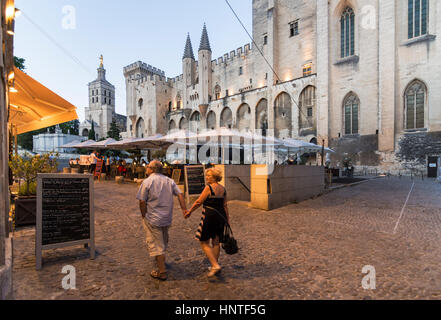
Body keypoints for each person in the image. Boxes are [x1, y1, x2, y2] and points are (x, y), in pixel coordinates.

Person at [137, 160, 187, 281]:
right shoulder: (169, 180)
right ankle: (160, 261)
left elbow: (142, 201)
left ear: (152, 169)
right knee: (163, 239)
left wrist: (143, 214)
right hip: (166, 217)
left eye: (148, 167)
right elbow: (180, 195)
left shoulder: (147, 181)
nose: (146, 168)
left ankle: (162, 271)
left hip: (153, 217)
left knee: (157, 244)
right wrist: (184, 209)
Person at [185, 168, 230, 277]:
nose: (207, 177)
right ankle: (215, 264)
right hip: (220, 216)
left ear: (215, 177)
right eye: (207, 175)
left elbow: (199, 201)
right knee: (216, 241)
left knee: (204, 242)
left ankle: (215, 265)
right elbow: (225, 205)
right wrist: (227, 219)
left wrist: (189, 211)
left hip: (210, 216)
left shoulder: (209, 188)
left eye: (209, 175)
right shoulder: (223, 189)